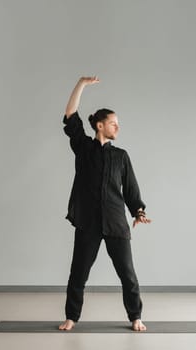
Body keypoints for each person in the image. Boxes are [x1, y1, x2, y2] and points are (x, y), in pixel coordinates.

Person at [59, 76, 152, 332]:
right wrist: (80, 85)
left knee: (128, 275)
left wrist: (139, 211)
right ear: (100, 126)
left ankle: (136, 316)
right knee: (78, 274)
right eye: (113, 123)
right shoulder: (84, 148)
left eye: (118, 124)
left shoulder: (121, 156)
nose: (117, 128)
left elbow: (131, 190)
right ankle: (71, 317)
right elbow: (70, 116)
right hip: (88, 222)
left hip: (115, 223)